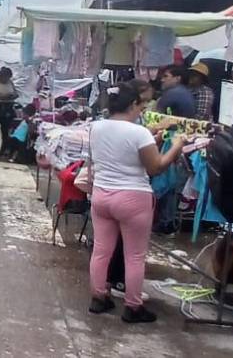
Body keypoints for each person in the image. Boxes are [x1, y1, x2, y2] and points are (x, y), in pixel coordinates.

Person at [87, 81, 186, 324]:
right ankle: (133, 306)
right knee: (134, 256)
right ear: (133, 104)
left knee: (101, 250)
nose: (142, 110)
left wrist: (152, 137)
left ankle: (99, 297)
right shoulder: (139, 133)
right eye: (141, 105)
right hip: (133, 197)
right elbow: (156, 167)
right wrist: (176, 147)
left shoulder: (96, 127)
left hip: (102, 194)